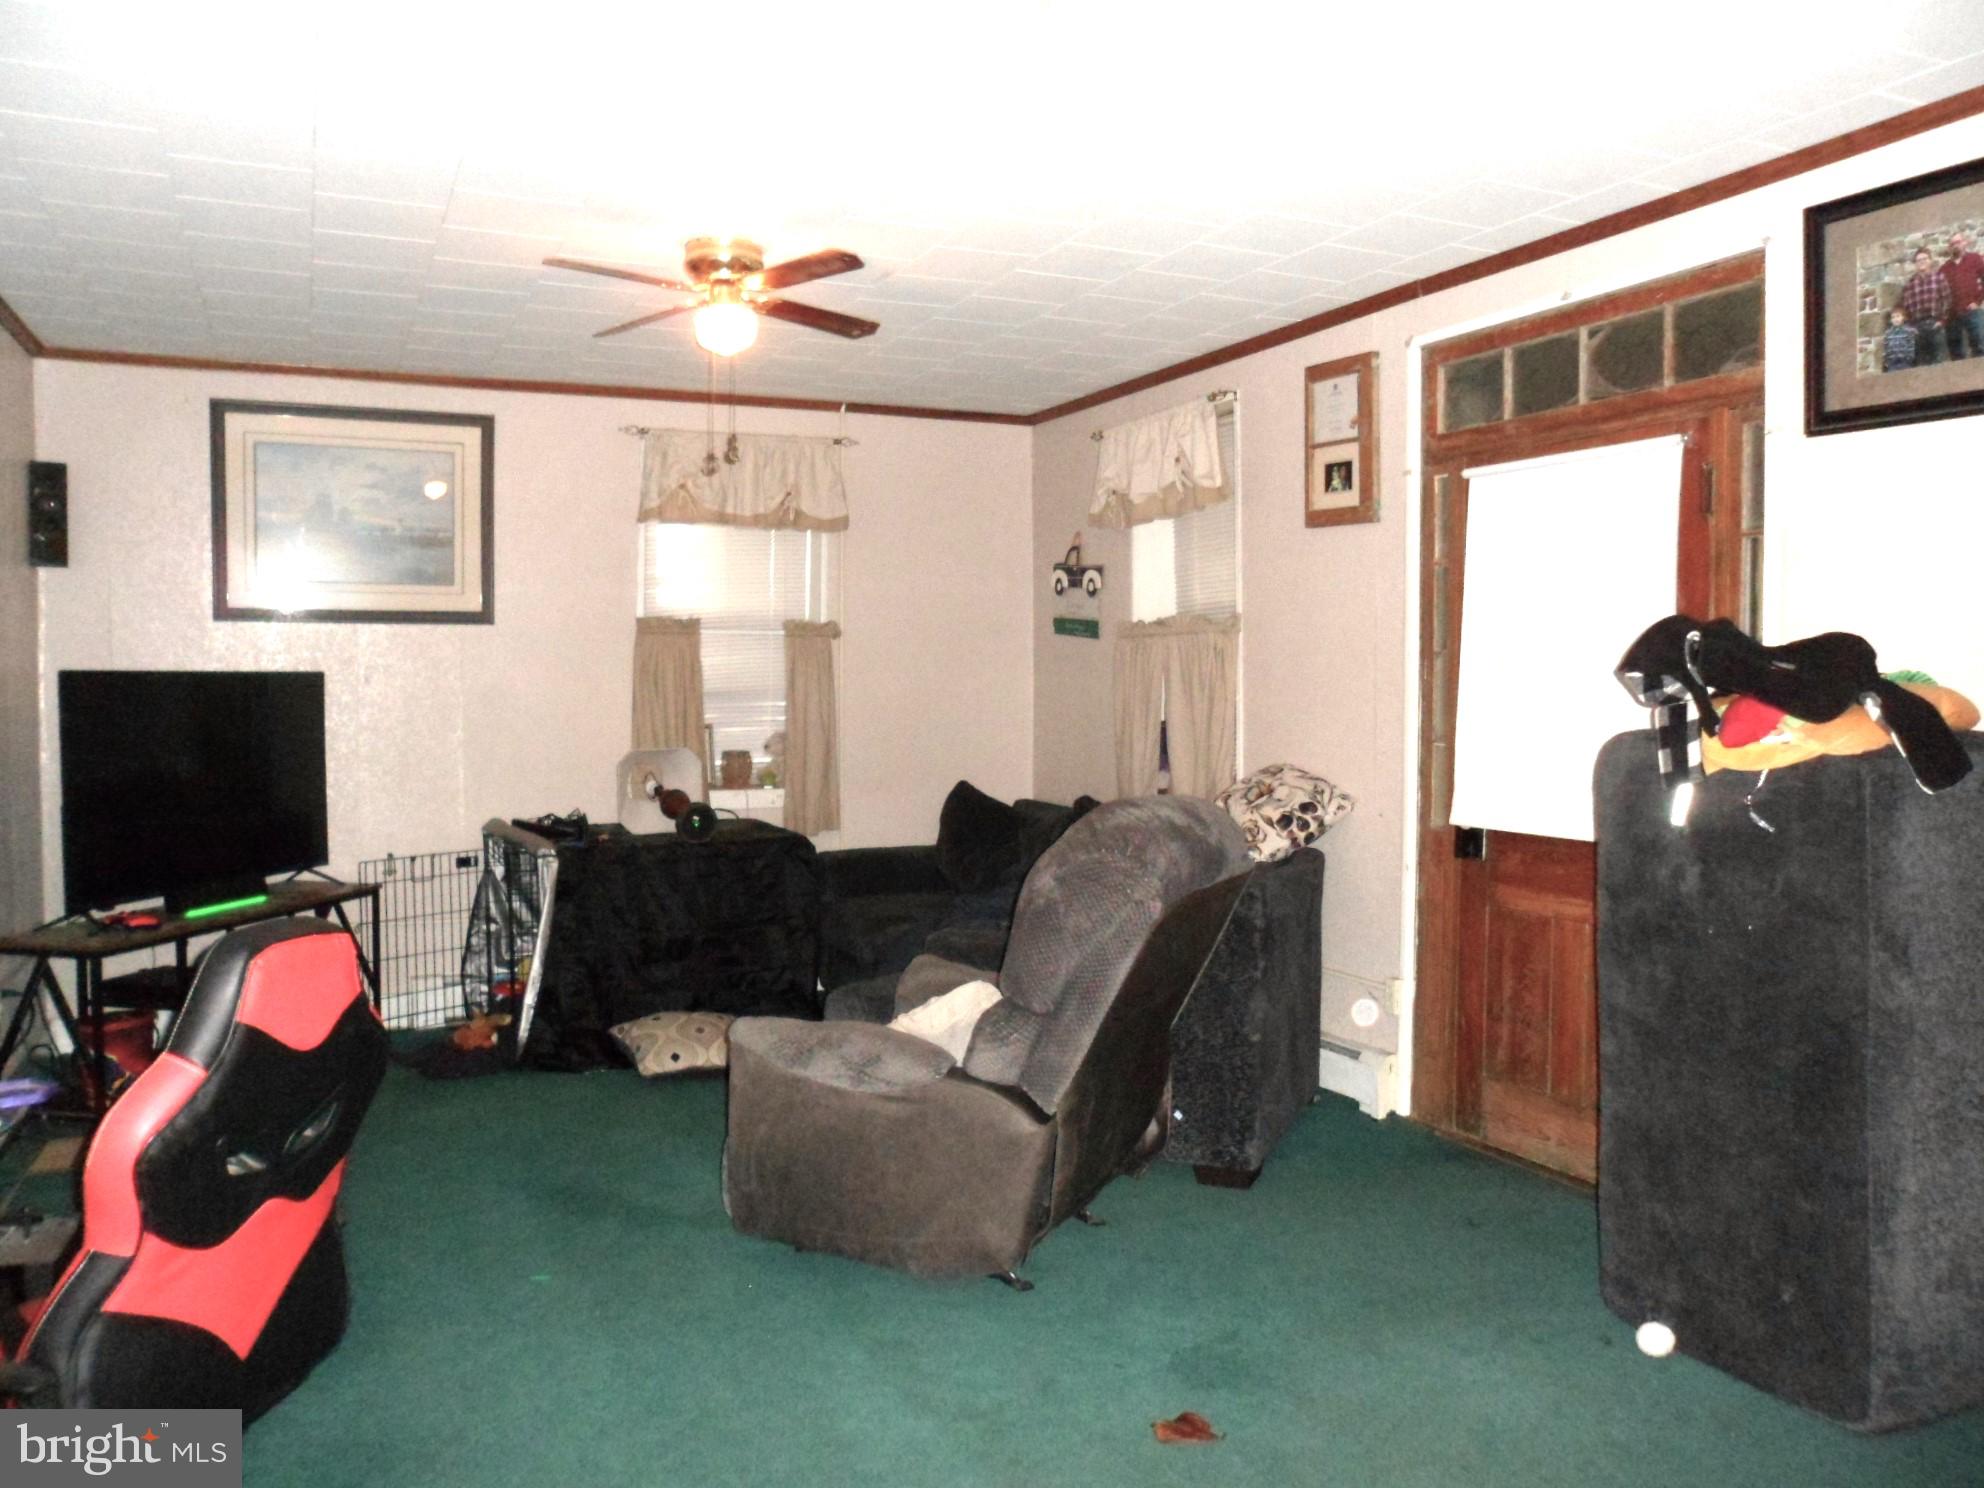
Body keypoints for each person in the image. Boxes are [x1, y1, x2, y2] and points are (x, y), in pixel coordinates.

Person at [1900, 246, 1952, 365]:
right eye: (1918, 260)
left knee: (1939, 363)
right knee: (1922, 365)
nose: (1922, 262)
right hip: (1917, 328)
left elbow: (1947, 300)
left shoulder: (1939, 278)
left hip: (1935, 325)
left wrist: (1942, 321)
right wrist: (1910, 327)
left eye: (1924, 259)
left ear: (1930, 261)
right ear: (1915, 264)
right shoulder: (1910, 284)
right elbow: (1904, 308)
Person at [1941, 230, 1984, 360]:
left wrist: (1978, 301)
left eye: (1958, 242)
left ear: (1965, 243)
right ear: (1949, 247)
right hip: (1952, 315)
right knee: (1955, 351)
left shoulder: (1975, 259)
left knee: (1979, 344)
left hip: (1972, 310)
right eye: (1952, 243)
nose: (1955, 245)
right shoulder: (1944, 268)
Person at [1882, 307, 1917, 372]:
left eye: (1898, 316)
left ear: (1903, 318)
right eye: (1893, 317)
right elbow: (1886, 347)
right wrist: (1886, 361)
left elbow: (1911, 345)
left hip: (1905, 360)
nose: (1896, 319)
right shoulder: (1888, 333)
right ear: (1891, 320)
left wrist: (1910, 358)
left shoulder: (1908, 331)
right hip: (1892, 361)